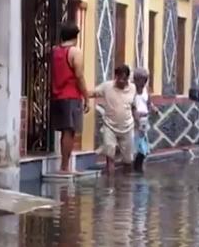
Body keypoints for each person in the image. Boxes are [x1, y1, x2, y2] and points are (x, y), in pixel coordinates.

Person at [51, 22, 89, 173]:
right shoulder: (75, 52)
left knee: (64, 131)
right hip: (71, 96)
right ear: (76, 36)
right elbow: (79, 76)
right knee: (70, 131)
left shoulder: (54, 51)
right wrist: (86, 96)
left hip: (57, 96)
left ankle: (64, 165)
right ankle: (65, 167)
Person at [90, 65, 137, 175]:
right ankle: (110, 185)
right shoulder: (107, 87)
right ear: (115, 77)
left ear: (127, 79)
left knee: (128, 160)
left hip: (127, 127)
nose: (121, 81)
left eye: (124, 79)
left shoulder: (133, 88)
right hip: (109, 126)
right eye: (119, 78)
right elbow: (92, 93)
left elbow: (133, 105)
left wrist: (138, 121)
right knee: (109, 155)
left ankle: (126, 187)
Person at [132, 68, 159, 173]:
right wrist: (136, 119)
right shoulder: (132, 90)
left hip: (144, 120)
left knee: (144, 148)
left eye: (145, 80)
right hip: (135, 121)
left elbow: (148, 102)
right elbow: (130, 105)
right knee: (139, 147)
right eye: (140, 80)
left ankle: (138, 168)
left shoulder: (145, 90)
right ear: (135, 79)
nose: (143, 82)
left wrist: (153, 108)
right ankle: (136, 169)